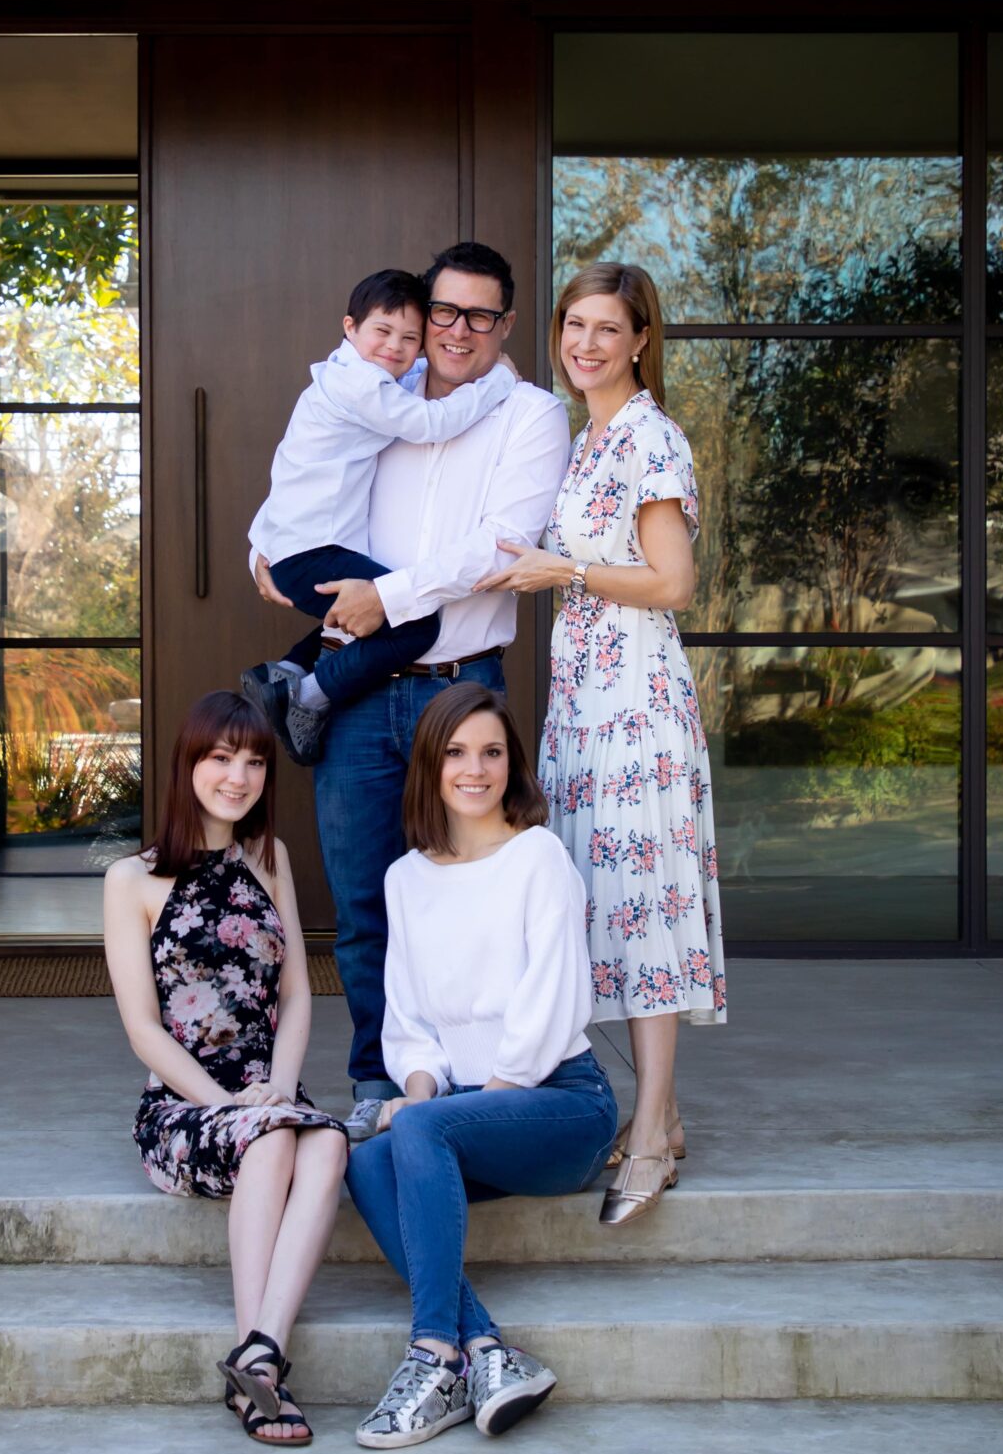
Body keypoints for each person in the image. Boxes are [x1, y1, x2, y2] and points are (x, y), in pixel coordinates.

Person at [254, 242, 571, 1132]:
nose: (456, 331)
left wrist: (382, 595)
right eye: (444, 312)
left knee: (471, 900)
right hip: (358, 692)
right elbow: (304, 473)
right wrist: (263, 545)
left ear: (504, 325)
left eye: (480, 316)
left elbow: (499, 551)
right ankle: (377, 1086)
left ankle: (475, 1086)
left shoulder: (529, 414)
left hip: (459, 694)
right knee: (361, 907)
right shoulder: (372, 394)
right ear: (419, 314)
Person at [473, 261, 725, 1230]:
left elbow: (672, 583)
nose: (584, 343)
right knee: (608, 906)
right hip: (584, 705)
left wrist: (565, 567)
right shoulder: (590, 440)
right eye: (573, 324)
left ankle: (655, 1127)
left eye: (606, 329)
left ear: (640, 340)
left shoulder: (651, 439)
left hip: (637, 707)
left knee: (648, 913)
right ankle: (659, 1113)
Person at [344, 684, 618, 1448]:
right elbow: (409, 1019)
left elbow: (552, 1002)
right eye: (456, 752)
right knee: (366, 1165)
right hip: (463, 1110)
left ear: (511, 764)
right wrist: (422, 1093)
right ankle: (489, 1352)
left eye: (491, 752)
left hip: (559, 1105)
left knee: (419, 1133)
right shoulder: (406, 878)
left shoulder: (537, 857)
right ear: (429, 766)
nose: (475, 769)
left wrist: (455, 1111)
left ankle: (433, 1356)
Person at [103, 690, 348, 1444]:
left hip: (267, 1086)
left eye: (252, 763)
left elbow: (300, 993)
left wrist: (277, 1082)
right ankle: (261, 1359)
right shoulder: (132, 880)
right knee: (273, 1140)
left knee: (329, 1139)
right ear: (188, 765)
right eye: (219, 759)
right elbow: (143, 1028)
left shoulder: (269, 859)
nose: (236, 778)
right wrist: (223, 1103)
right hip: (186, 1102)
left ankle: (257, 1357)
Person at [243, 267, 515, 765]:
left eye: (410, 338)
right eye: (382, 332)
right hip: (311, 550)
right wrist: (495, 381)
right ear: (350, 327)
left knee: (364, 616)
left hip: (298, 546)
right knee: (416, 621)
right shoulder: (364, 388)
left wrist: (261, 544)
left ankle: (281, 672)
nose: (395, 347)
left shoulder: (351, 375)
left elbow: (291, 470)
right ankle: (306, 697)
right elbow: (434, 420)